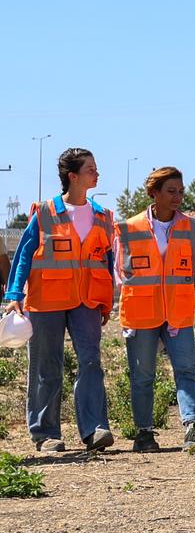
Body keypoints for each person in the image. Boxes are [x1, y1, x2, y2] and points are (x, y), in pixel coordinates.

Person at [3, 147, 116, 453]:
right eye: (91, 169)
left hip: (87, 301)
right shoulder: (44, 212)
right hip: (46, 300)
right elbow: (25, 254)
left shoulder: (102, 216)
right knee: (46, 365)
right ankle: (45, 433)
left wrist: (106, 301)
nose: (97, 173)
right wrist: (14, 295)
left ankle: (95, 430)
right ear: (73, 176)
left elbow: (106, 261)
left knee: (91, 362)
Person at [117, 167, 195, 453]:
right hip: (141, 313)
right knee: (142, 376)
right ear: (154, 193)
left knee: (186, 370)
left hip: (178, 312)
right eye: (171, 191)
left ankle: (192, 427)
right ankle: (144, 433)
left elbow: (192, 266)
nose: (178, 197)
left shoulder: (193, 227)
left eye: (181, 191)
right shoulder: (128, 228)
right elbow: (121, 272)